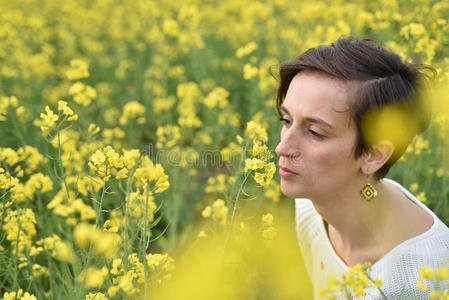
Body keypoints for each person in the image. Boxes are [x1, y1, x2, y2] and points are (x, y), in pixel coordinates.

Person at [274, 37, 449, 299]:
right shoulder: (309, 206)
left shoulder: (429, 279)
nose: (282, 148)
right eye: (286, 120)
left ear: (374, 155)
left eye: (314, 132)